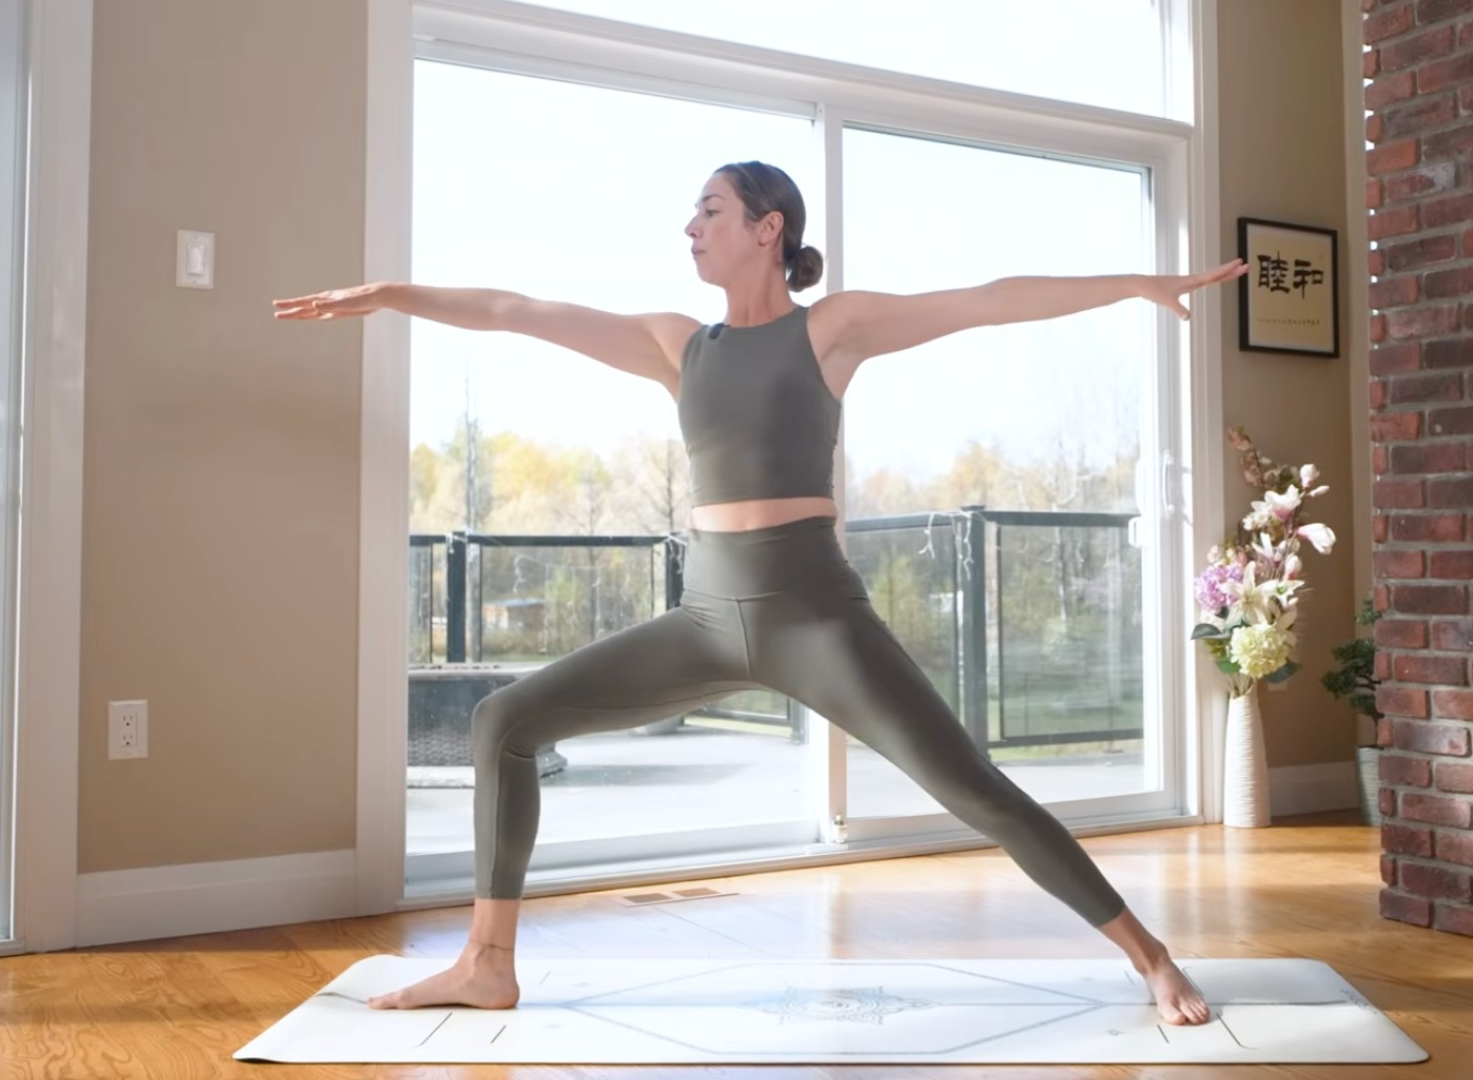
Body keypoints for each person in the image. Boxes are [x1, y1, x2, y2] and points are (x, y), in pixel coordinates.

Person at [275, 161, 1246, 1026]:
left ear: (767, 225)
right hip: (703, 620)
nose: (690, 229)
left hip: (814, 617)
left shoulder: (831, 329)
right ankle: (488, 966)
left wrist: (1138, 284)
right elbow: (514, 309)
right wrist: (390, 294)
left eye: (709, 210)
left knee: (973, 789)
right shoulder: (675, 344)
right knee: (504, 720)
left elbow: (987, 299)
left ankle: (1149, 956)